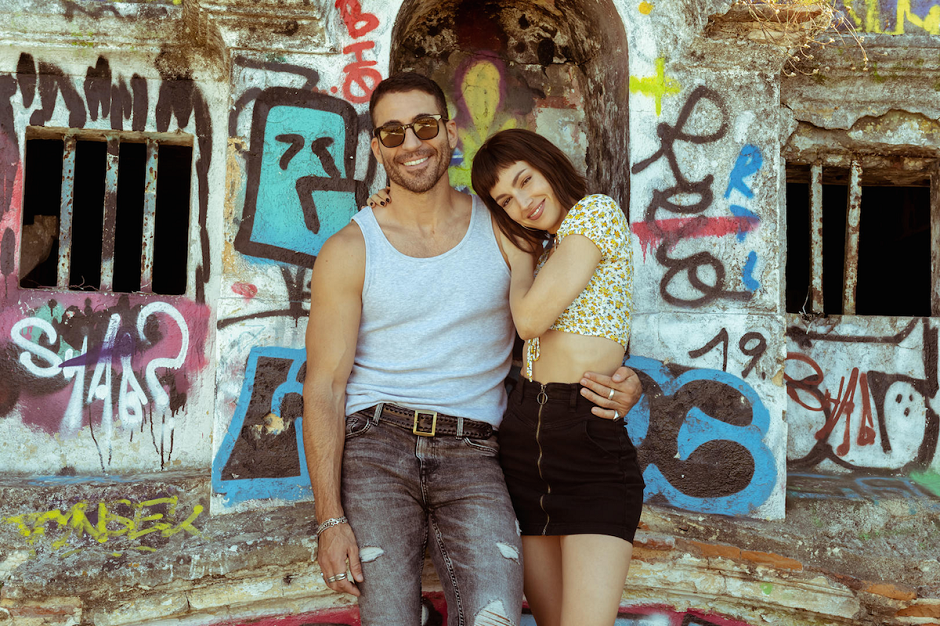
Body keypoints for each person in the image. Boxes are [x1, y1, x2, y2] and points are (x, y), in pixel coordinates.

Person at [301, 72, 642, 626]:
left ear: (450, 132)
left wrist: (625, 376)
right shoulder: (349, 249)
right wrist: (328, 519)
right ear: (377, 148)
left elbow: (587, 300)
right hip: (377, 446)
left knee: (496, 617)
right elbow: (324, 385)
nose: (411, 143)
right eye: (393, 133)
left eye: (424, 125)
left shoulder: (506, 224)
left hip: (477, 450)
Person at [471, 128, 644, 626]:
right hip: (523, 442)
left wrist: (519, 262)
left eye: (525, 180)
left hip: (588, 443)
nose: (522, 203)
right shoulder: (550, 247)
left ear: (548, 163)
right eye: (505, 200)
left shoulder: (594, 213)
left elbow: (529, 321)